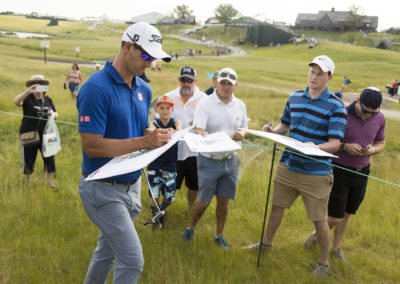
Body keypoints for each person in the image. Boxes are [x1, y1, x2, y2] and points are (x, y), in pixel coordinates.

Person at [76, 22, 171, 283]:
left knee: (106, 251)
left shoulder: (144, 88)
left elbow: (142, 127)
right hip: (101, 188)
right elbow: (92, 145)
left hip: (131, 186)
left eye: (154, 57)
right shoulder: (96, 88)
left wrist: (159, 135)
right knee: (132, 260)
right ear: (127, 46)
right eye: (146, 55)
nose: (150, 63)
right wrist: (144, 141)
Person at [246, 55, 347, 275]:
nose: (314, 76)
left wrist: (314, 147)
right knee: (276, 208)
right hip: (288, 165)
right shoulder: (294, 97)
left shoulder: (336, 106)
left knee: (319, 220)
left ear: (329, 77)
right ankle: (265, 244)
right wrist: (273, 132)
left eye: (320, 73)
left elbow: (335, 144)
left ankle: (323, 264)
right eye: (312, 71)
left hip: (317, 173)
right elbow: (285, 125)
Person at [303, 87, 385, 261]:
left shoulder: (380, 118)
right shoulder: (341, 114)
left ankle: (336, 248)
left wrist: (372, 150)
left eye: (372, 113)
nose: (367, 115)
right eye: (364, 111)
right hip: (339, 170)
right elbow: (328, 141)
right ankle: (316, 236)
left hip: (362, 172)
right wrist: (345, 147)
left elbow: (381, 143)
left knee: (347, 214)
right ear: (357, 100)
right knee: (334, 217)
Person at [182, 67, 248, 249]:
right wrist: (207, 136)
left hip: (231, 159)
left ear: (236, 85)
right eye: (223, 82)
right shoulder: (205, 103)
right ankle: (191, 227)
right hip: (209, 159)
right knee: (203, 201)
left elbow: (244, 127)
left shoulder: (240, 105)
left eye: (230, 83)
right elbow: (199, 129)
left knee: (224, 200)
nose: (226, 87)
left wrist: (242, 133)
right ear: (216, 83)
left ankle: (219, 235)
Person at [164, 66, 207, 213]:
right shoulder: (168, 97)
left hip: (195, 152)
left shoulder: (204, 99)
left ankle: (190, 209)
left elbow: (210, 123)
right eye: (183, 80)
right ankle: (163, 211)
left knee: (194, 185)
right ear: (179, 80)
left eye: (190, 80)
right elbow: (157, 120)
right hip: (174, 151)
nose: (186, 83)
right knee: (170, 184)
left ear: (195, 81)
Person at [14, 74, 59, 188]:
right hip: (29, 134)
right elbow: (16, 101)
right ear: (31, 86)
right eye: (36, 85)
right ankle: (29, 182)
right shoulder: (27, 99)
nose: (39, 88)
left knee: (50, 158)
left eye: (42, 85)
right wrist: (28, 91)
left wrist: (52, 114)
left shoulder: (48, 100)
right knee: (29, 158)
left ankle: (50, 182)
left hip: (47, 135)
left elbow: (56, 115)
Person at [147, 96, 182, 230]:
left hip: (170, 166)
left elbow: (179, 131)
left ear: (172, 110)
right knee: (154, 196)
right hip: (154, 165)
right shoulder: (154, 123)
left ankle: (161, 211)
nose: (165, 111)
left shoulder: (176, 122)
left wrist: (175, 131)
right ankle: (156, 222)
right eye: (162, 108)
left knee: (169, 198)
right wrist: (158, 132)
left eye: (168, 108)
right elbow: (150, 131)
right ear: (157, 110)